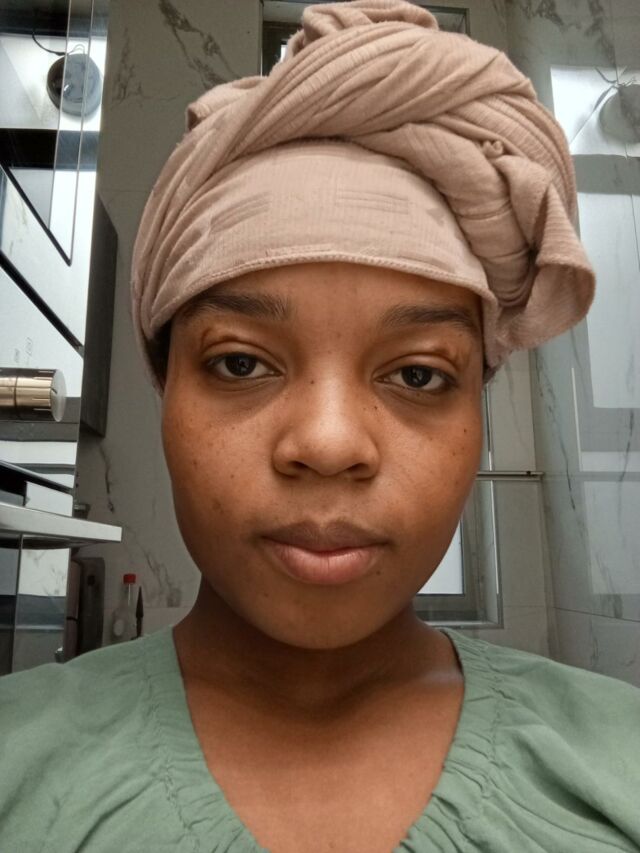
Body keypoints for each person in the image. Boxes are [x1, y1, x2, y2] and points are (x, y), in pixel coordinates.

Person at [1, 2, 639, 851]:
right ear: (166, 386)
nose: (330, 444)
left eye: (418, 374)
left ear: (477, 411)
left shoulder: (617, 764)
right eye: (240, 362)